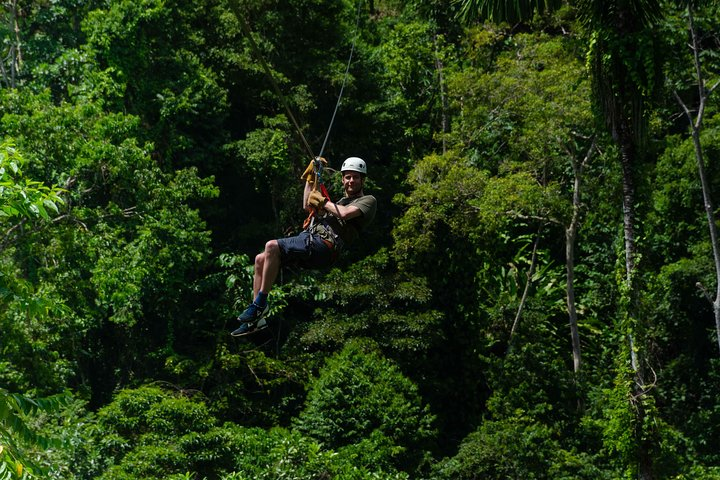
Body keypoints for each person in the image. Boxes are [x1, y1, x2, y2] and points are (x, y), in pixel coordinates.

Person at [232, 156, 377, 336]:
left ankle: (260, 304)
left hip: (323, 246)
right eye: (347, 177)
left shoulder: (368, 201)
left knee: (271, 246)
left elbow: (346, 214)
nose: (351, 181)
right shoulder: (338, 202)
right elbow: (307, 206)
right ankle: (256, 320)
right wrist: (311, 178)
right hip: (312, 241)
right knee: (260, 259)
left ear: (363, 180)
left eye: (355, 177)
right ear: (342, 179)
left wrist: (323, 201)